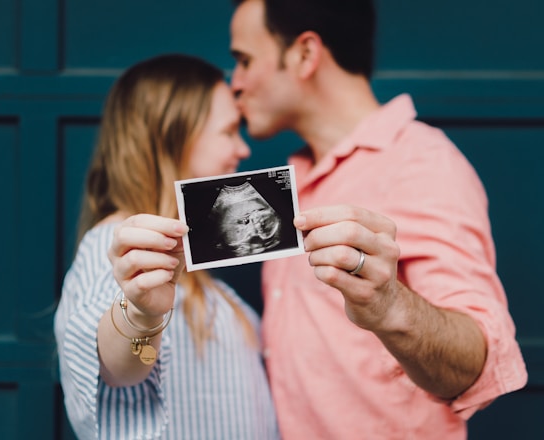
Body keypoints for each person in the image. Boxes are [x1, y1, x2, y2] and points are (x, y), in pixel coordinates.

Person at [228, 0, 528, 439]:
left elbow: (476, 365)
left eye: (244, 60)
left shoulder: (420, 163)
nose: (234, 83)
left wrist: (388, 305)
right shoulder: (292, 182)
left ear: (305, 54)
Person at [54, 53, 279, 440]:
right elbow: (117, 367)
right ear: (171, 138)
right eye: (227, 131)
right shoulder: (118, 248)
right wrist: (141, 314)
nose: (242, 150)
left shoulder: (191, 269)